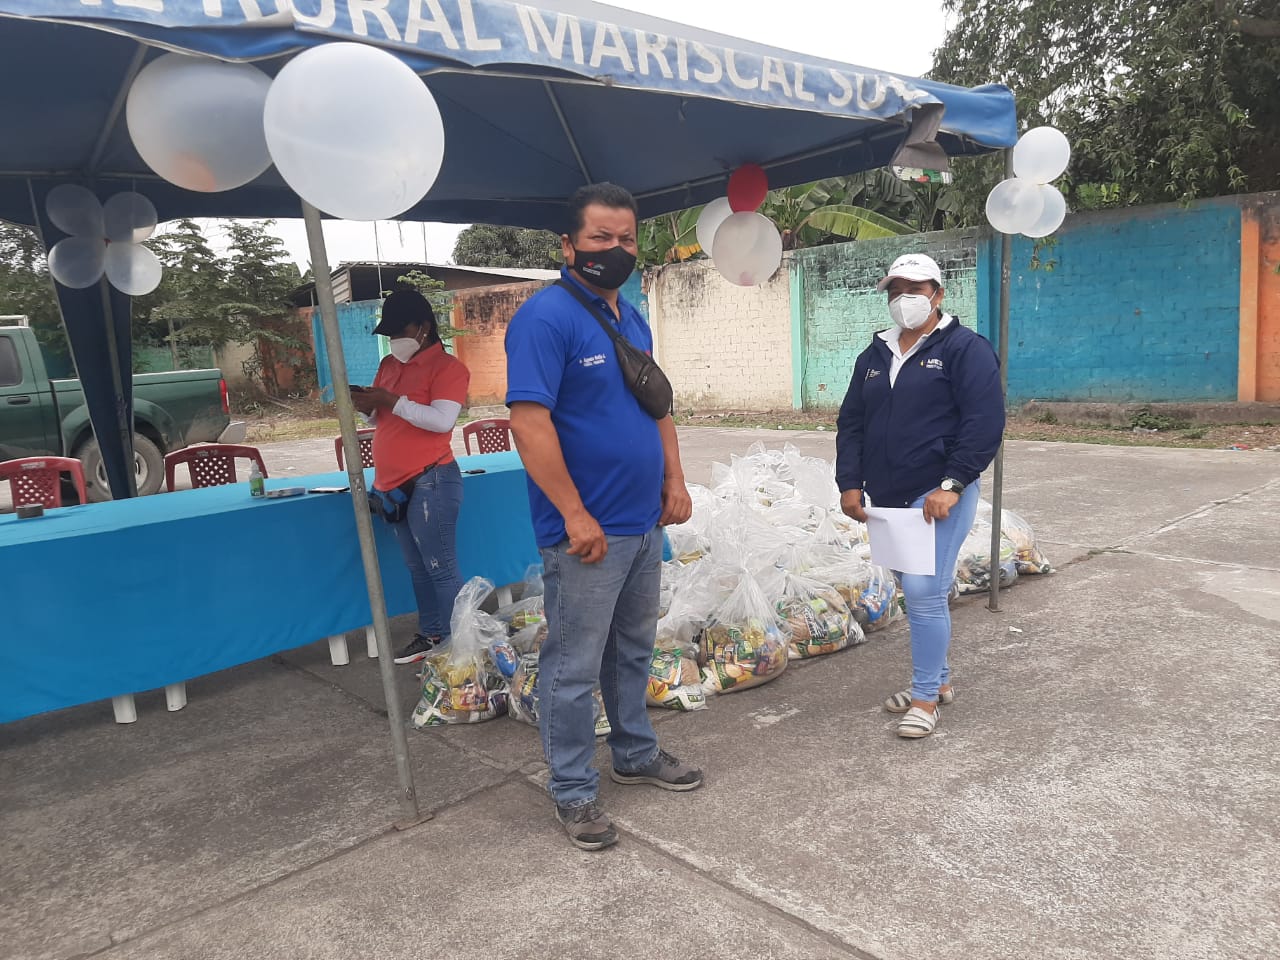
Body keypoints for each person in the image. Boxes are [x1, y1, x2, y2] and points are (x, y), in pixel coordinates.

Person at [504, 182, 702, 851]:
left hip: (643, 523)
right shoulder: (545, 319)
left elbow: (658, 405)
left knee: (633, 650)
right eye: (600, 238)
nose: (615, 250)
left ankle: (635, 753)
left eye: (626, 239)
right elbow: (529, 424)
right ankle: (572, 789)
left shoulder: (631, 318)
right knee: (574, 666)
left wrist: (674, 480)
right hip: (587, 533)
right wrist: (574, 513)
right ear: (568, 245)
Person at [835, 253, 1004, 739]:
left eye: (914, 289)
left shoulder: (965, 349)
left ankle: (926, 698)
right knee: (912, 589)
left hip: (937, 494)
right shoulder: (874, 356)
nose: (903, 299)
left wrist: (952, 484)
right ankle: (939, 681)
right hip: (886, 498)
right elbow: (852, 423)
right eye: (895, 290)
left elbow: (984, 422)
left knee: (926, 592)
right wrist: (849, 482)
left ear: (938, 294)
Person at [350, 288, 470, 666]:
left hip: (431, 480)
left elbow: (441, 421)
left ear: (423, 328)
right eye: (388, 334)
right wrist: (366, 406)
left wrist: (390, 400)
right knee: (417, 567)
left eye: (398, 331)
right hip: (393, 485)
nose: (393, 340)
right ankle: (431, 634)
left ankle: (459, 652)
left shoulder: (448, 369)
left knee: (440, 568)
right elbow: (380, 420)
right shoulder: (389, 364)